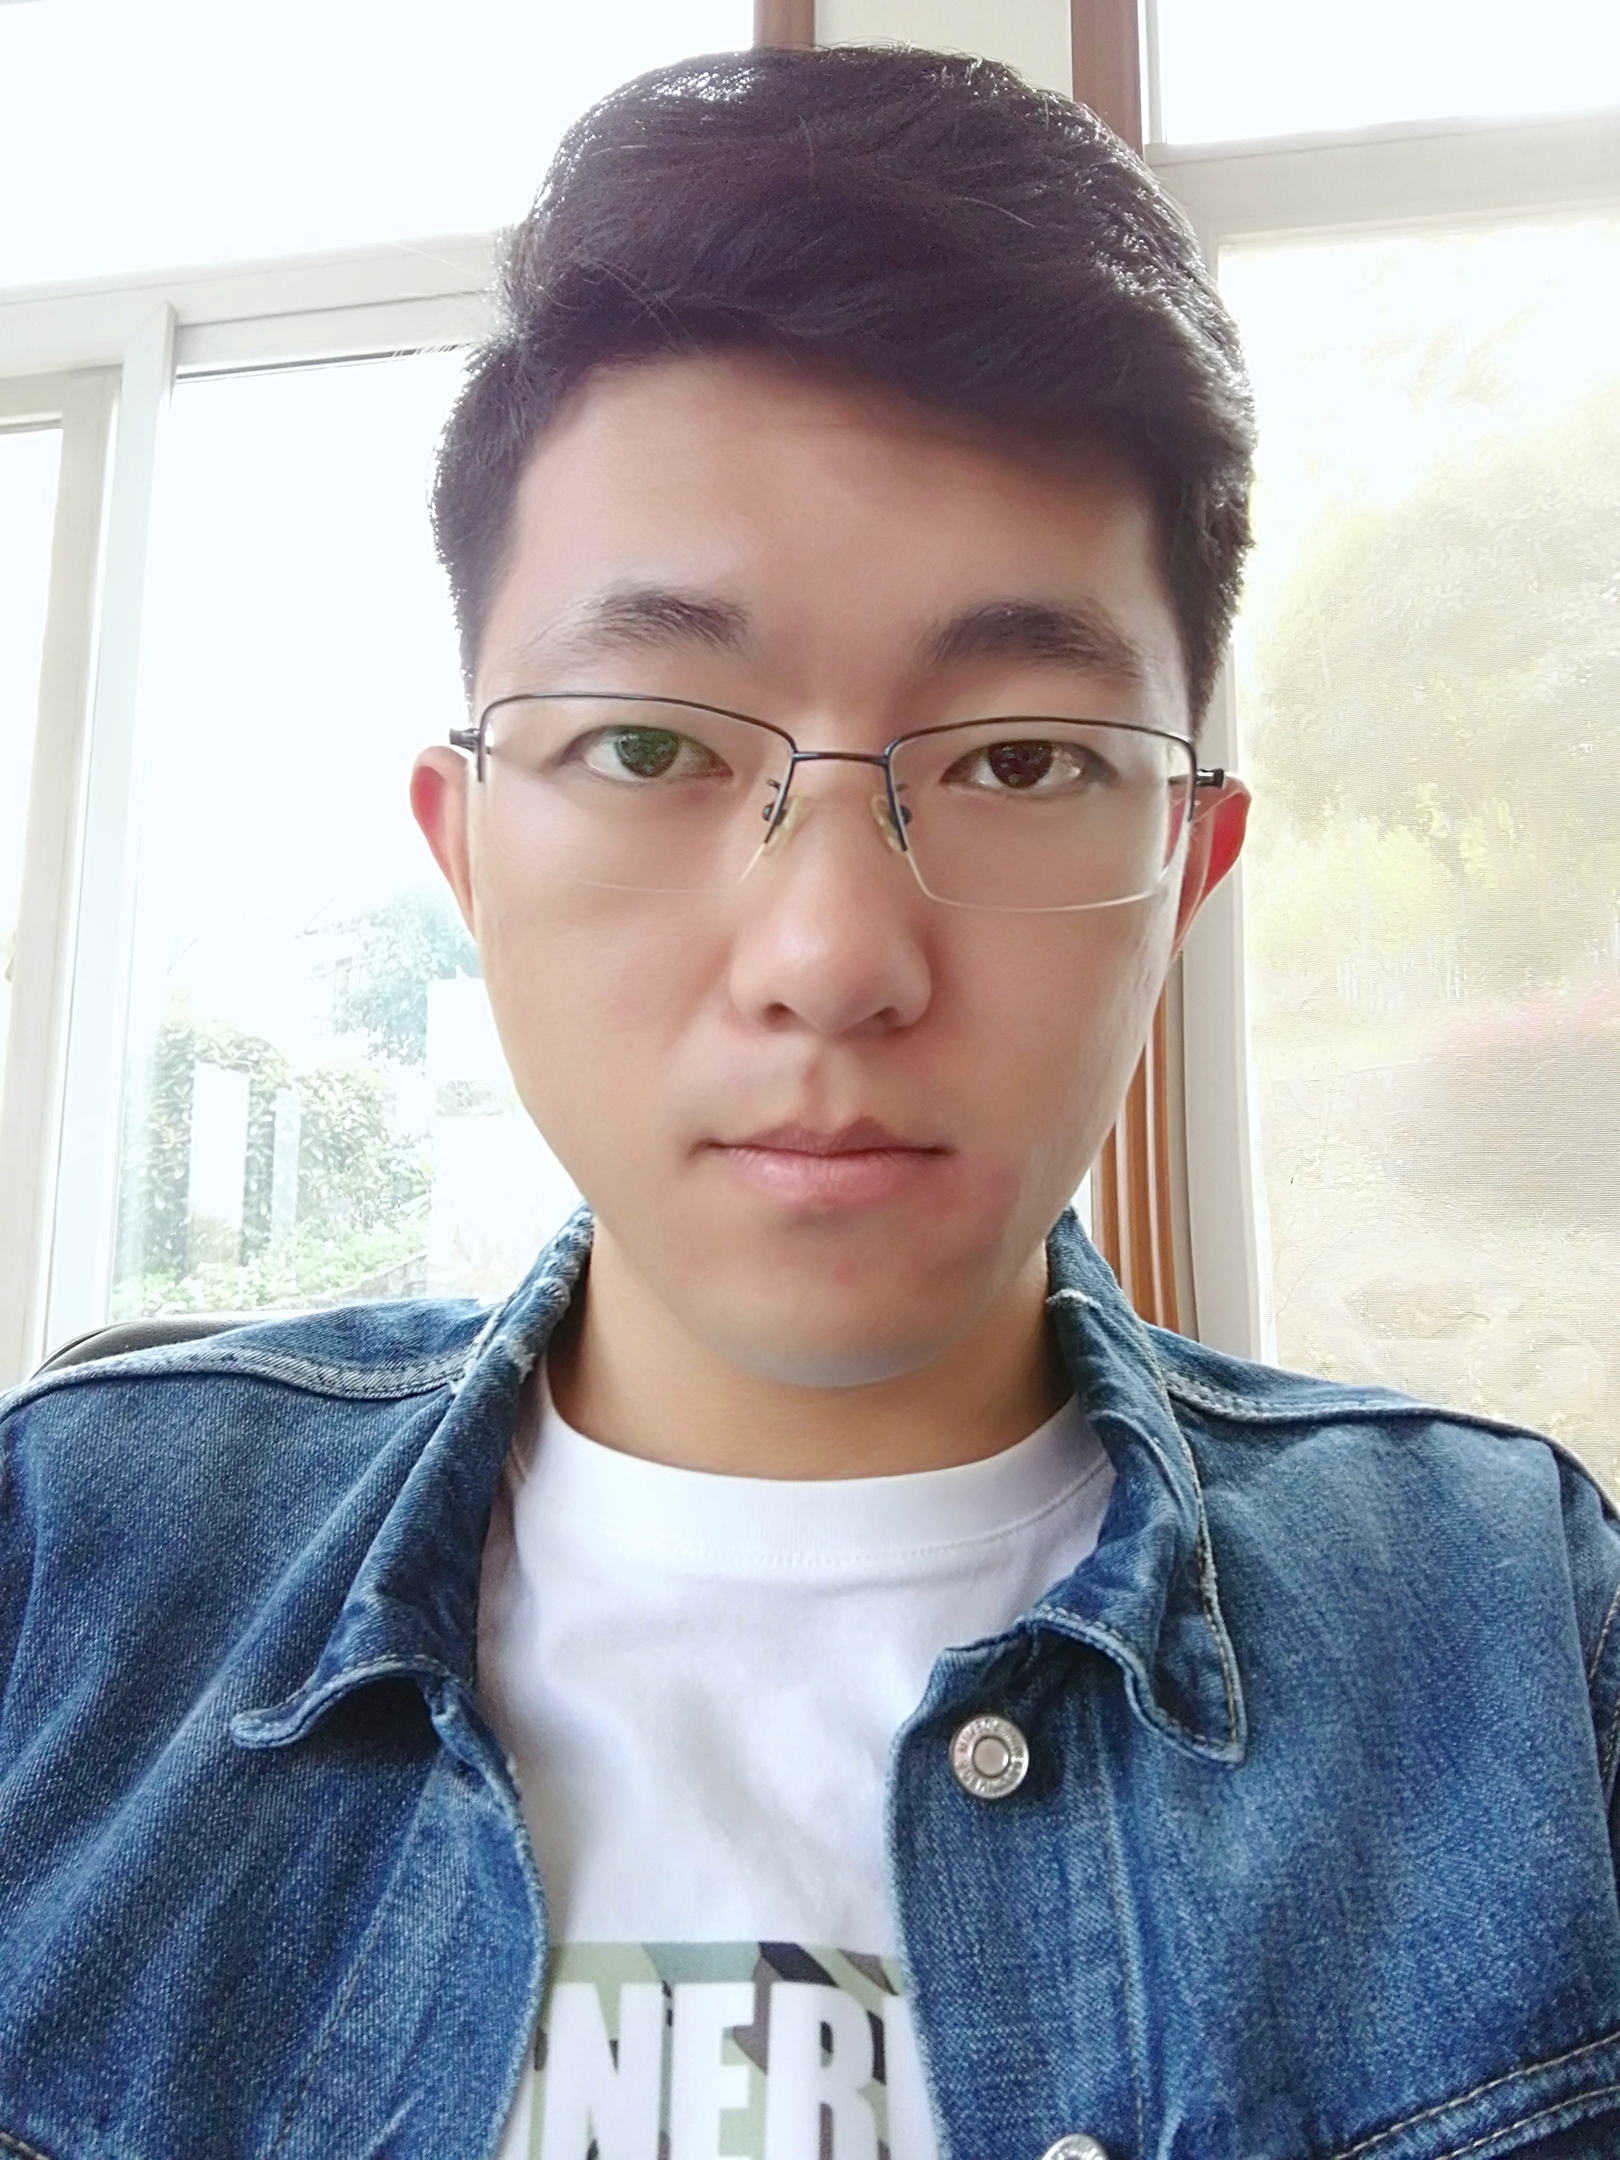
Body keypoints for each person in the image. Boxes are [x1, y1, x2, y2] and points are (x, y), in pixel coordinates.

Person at [3, 42, 1619, 2160]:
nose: (835, 952)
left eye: (1024, 758)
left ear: (1187, 875)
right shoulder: (72, 1567)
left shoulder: (1525, 1634)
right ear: (467, 852)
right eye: (652, 747)